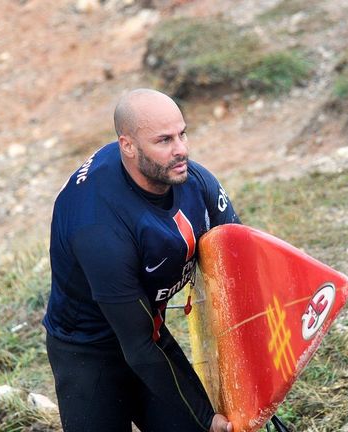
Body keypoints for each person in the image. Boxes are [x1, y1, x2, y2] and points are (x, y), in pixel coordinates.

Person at [42, 88, 240, 432]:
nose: (181, 150)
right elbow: (139, 345)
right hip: (87, 350)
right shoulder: (99, 228)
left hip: (148, 327)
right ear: (128, 146)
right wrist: (205, 417)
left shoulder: (195, 183)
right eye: (164, 140)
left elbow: (240, 261)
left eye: (182, 134)